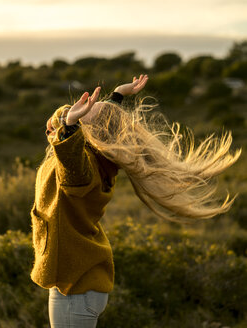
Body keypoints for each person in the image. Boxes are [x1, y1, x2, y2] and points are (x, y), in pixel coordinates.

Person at [30, 75, 241, 328]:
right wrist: (116, 96)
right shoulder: (96, 154)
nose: (83, 105)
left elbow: (68, 151)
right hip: (78, 282)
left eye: (89, 110)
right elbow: (59, 125)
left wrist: (72, 123)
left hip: (76, 288)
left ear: (91, 131)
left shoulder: (81, 168)